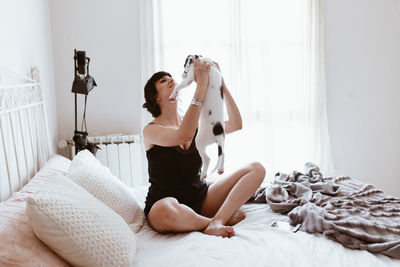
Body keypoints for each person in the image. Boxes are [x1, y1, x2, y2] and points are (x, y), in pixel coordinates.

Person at [142, 59, 265, 238]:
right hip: (165, 203)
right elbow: (183, 136)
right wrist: (201, 86)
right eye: (162, 81)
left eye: (170, 78)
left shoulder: (196, 126)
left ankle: (218, 220)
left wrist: (221, 82)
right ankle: (210, 222)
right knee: (163, 210)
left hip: (200, 198)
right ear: (155, 97)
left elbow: (236, 124)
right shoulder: (151, 131)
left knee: (256, 168)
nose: (170, 80)